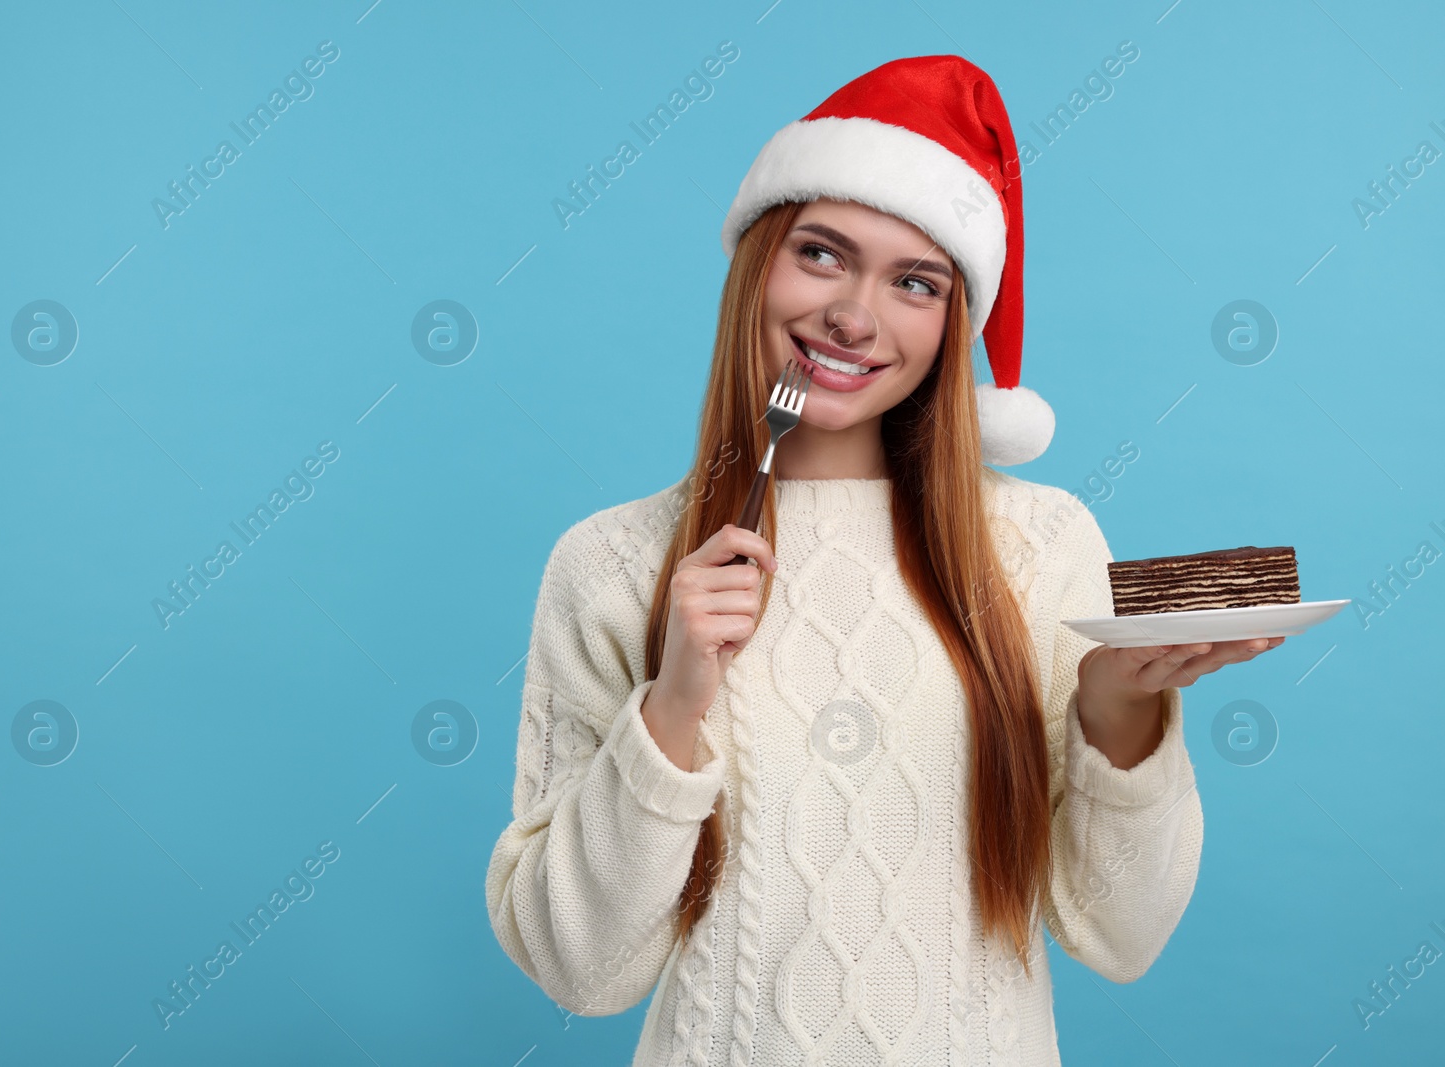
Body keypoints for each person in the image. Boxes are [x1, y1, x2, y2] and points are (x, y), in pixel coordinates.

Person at [485, 55, 1282, 1066]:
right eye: (821, 254)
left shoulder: (1046, 543)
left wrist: (1117, 712)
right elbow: (580, 970)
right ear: (756, 264)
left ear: (953, 323)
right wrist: (670, 708)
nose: (855, 316)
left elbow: (1120, 938)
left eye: (916, 281)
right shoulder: (608, 563)